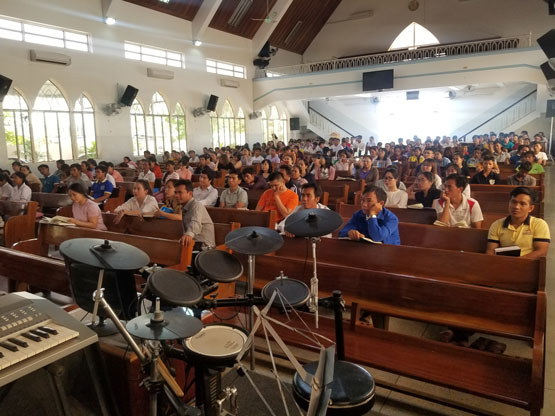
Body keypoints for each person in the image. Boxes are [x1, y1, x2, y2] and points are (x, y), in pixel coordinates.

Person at [486, 187, 549, 259]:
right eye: (513, 202)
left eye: (522, 204)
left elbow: (541, 251)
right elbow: (491, 250)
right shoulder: (496, 225)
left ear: (531, 208)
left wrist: (517, 262)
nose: (516, 207)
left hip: (528, 263)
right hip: (502, 262)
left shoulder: (539, 224)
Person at [175, 180, 215, 249]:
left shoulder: (196, 205)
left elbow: (195, 223)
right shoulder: (185, 207)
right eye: (175, 192)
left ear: (190, 193)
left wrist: (188, 235)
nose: (176, 195)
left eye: (180, 192)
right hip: (194, 244)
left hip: (205, 247)